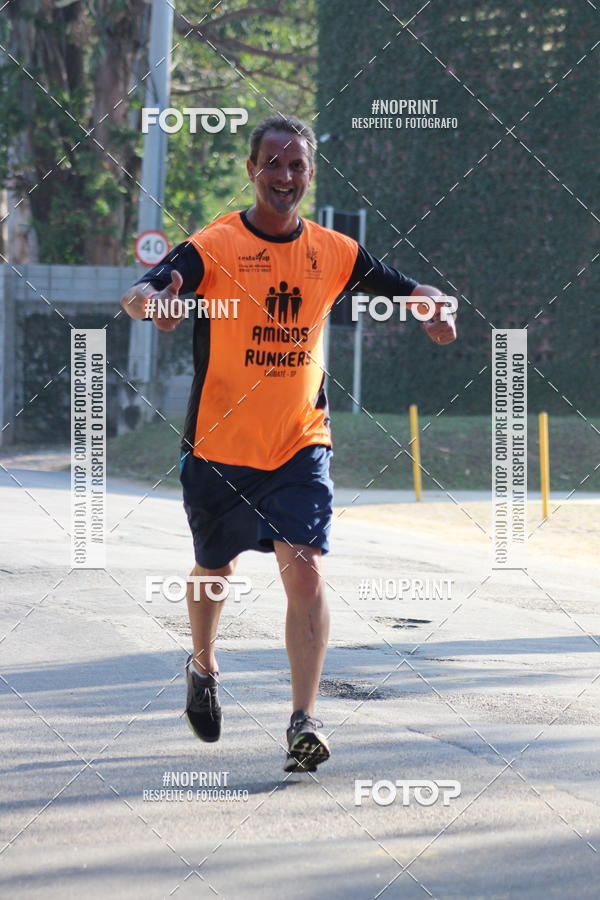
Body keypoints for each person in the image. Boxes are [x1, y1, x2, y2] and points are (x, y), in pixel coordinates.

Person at [119, 114, 456, 773]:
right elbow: (148, 290)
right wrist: (147, 302)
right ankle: (204, 663)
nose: (284, 175)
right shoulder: (214, 245)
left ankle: (305, 719)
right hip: (220, 446)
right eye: (272, 163)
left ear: (309, 174)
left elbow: (411, 289)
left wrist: (433, 310)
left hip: (301, 443)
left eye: (296, 164)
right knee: (215, 572)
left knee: (305, 573)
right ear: (251, 171)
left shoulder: (334, 251)